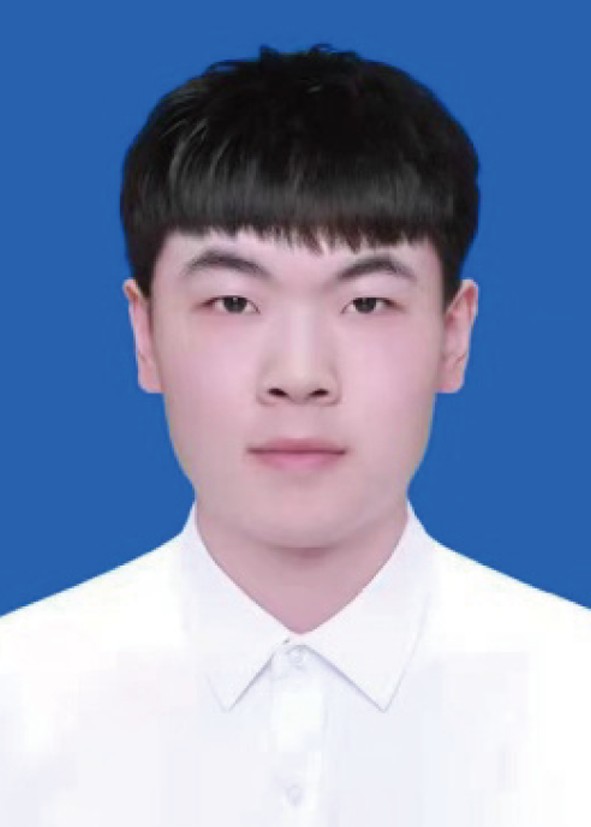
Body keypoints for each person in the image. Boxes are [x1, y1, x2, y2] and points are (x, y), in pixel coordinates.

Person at [1, 45, 589, 826]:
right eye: (234, 303)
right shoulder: (18, 698)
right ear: (145, 335)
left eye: (367, 303)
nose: (300, 375)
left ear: (453, 335)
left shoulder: (573, 697)